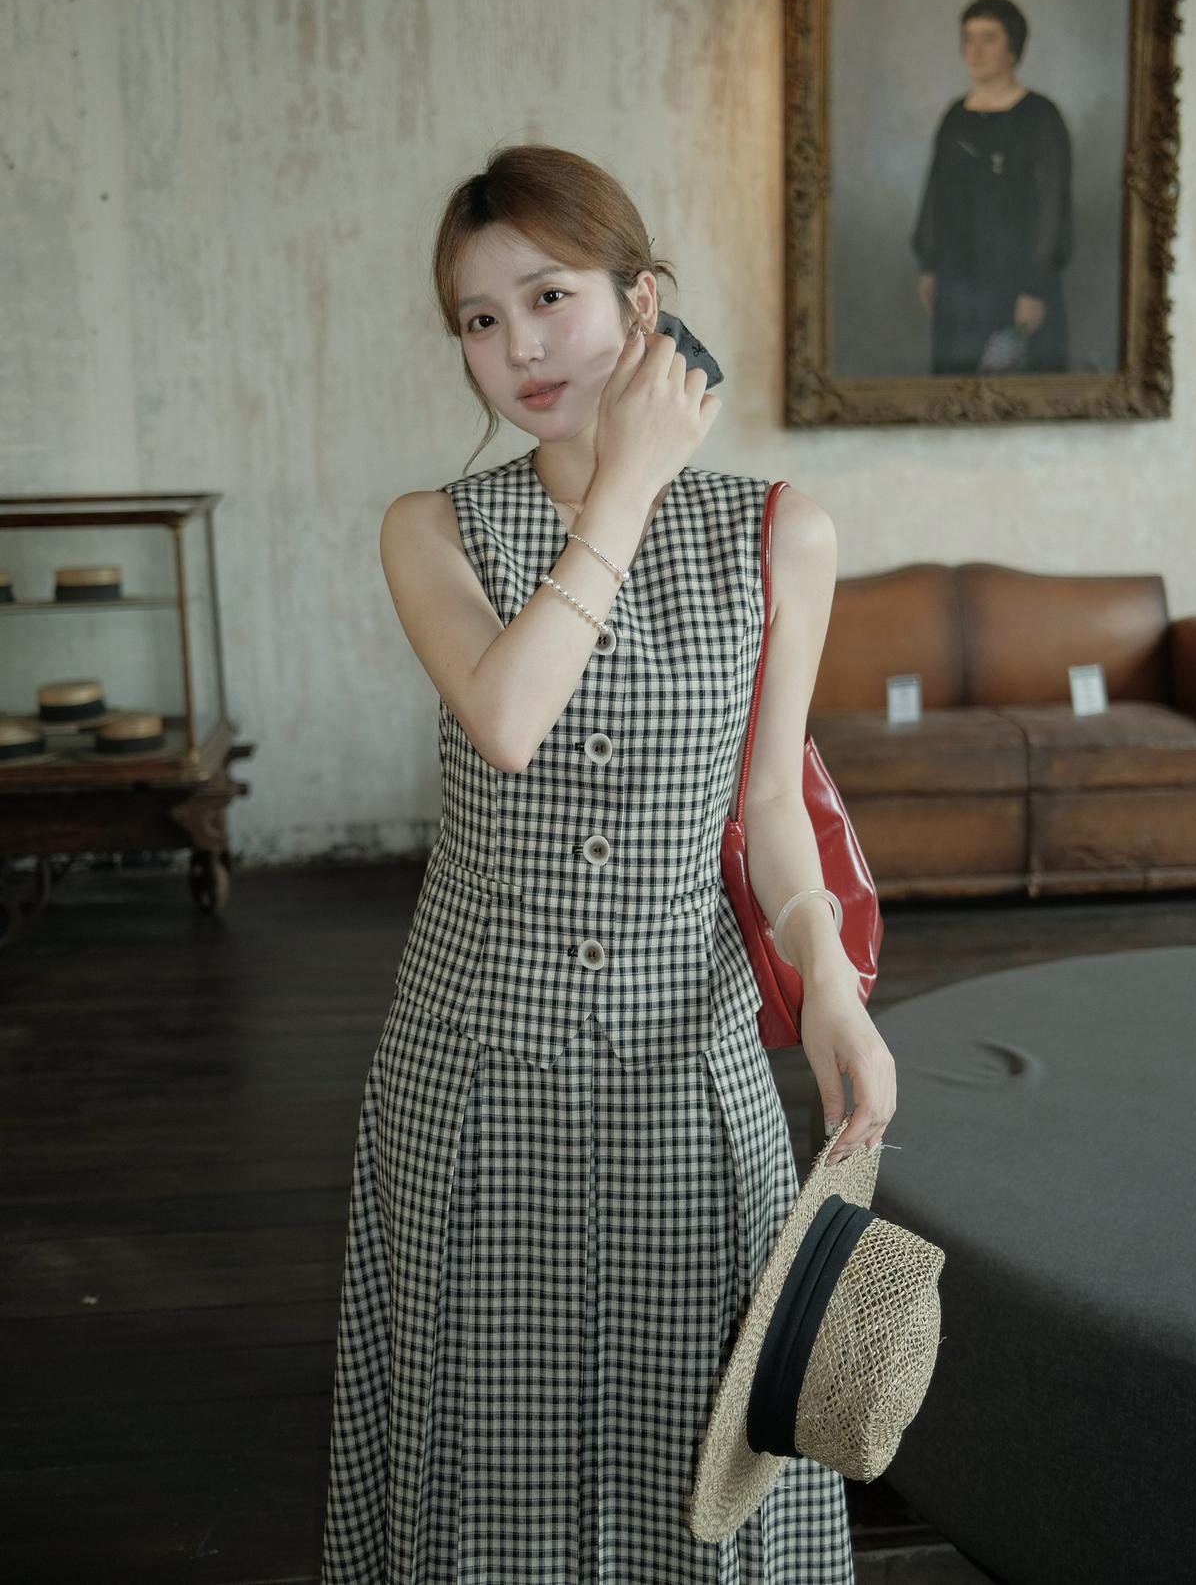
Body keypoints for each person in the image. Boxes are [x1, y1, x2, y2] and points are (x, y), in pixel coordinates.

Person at [320, 144, 897, 1583]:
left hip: (686, 1069)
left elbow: (769, 801)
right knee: (488, 1466)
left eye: (549, 297)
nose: (518, 348)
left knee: (700, 1451)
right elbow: (509, 722)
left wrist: (832, 986)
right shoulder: (432, 530)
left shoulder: (782, 532)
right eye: (479, 319)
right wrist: (625, 485)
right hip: (476, 1071)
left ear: (644, 301)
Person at [912, 0, 1073, 375]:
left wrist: (1035, 287)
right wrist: (929, 266)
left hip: (1016, 284)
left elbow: (1052, 205)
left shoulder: (1041, 116)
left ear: (1012, 47)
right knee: (955, 392)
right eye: (968, 39)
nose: (975, 50)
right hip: (958, 283)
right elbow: (935, 194)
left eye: (988, 39)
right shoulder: (955, 116)